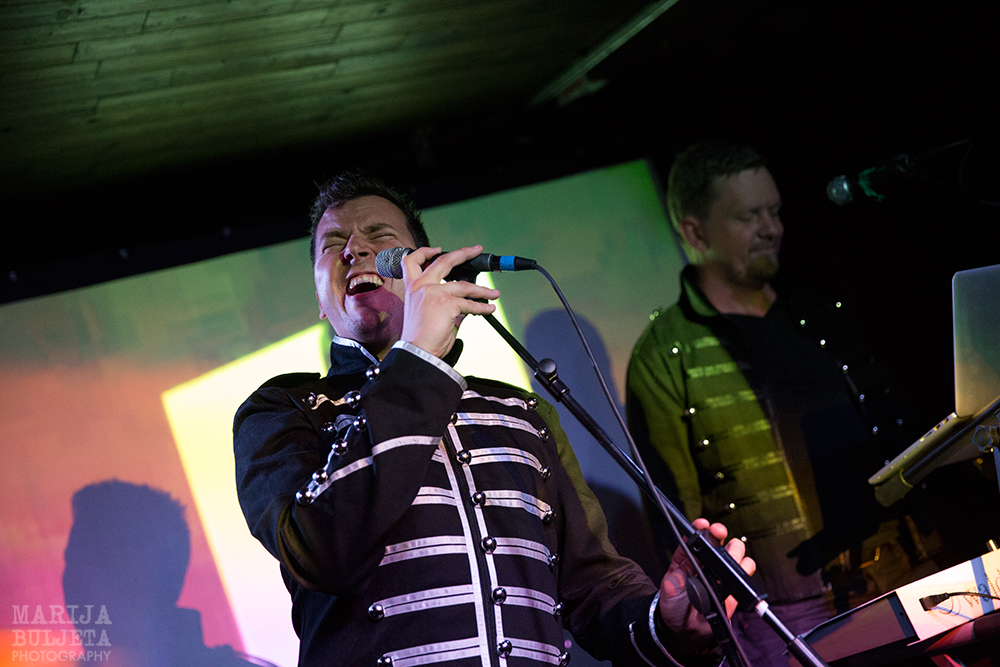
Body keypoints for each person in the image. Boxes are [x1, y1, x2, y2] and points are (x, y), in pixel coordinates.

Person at [233, 173, 755, 666]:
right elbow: (319, 549)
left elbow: (594, 587)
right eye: (333, 245)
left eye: (379, 236)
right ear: (319, 297)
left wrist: (668, 622)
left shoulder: (519, 411)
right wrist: (417, 356)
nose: (354, 249)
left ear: (430, 268)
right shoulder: (282, 410)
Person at [626, 142, 938, 665]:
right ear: (695, 232)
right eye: (749, 216)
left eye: (774, 211)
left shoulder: (818, 312)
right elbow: (675, 516)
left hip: (901, 574)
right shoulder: (664, 354)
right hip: (783, 616)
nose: (772, 228)